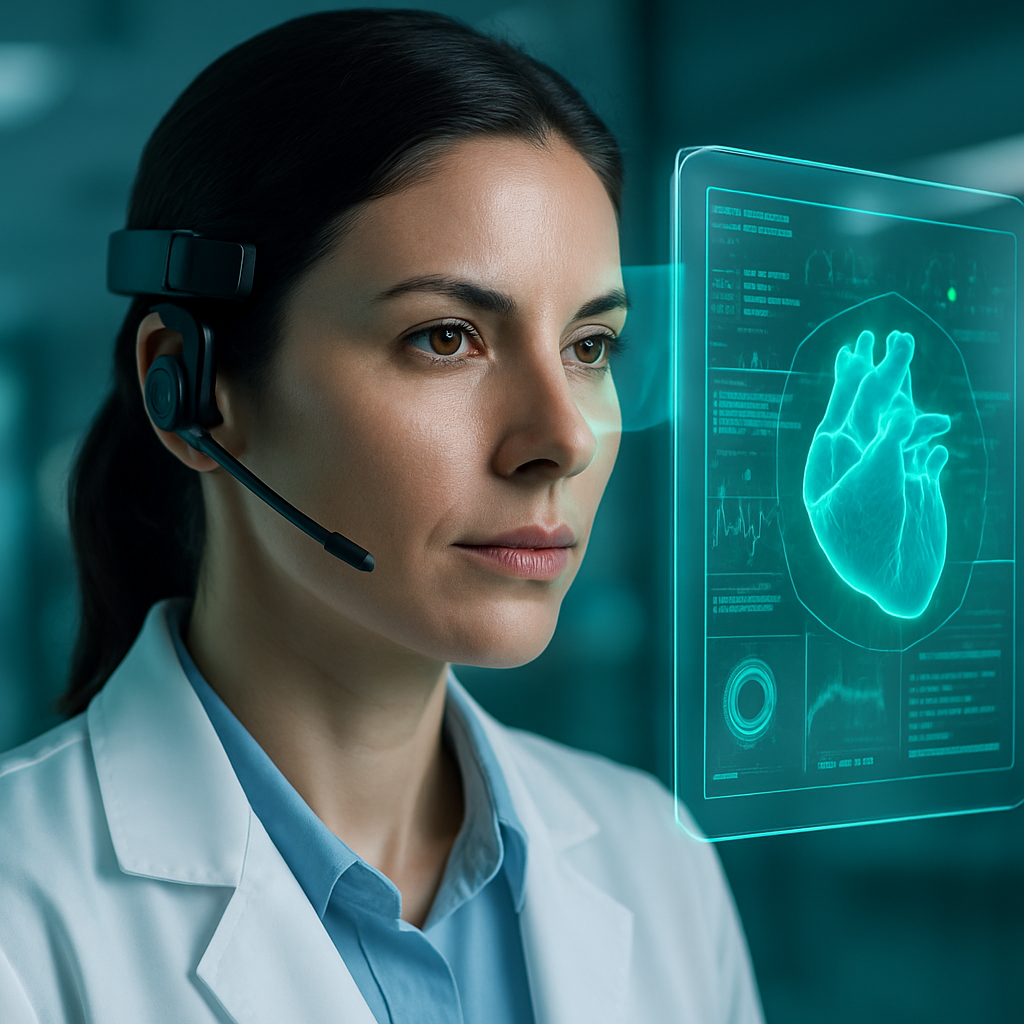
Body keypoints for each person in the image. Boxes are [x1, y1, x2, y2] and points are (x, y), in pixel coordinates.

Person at [0, 9, 765, 1022]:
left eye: (589, 347)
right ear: (192, 393)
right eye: (446, 337)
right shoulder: (22, 911)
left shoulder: (655, 858)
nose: (562, 439)